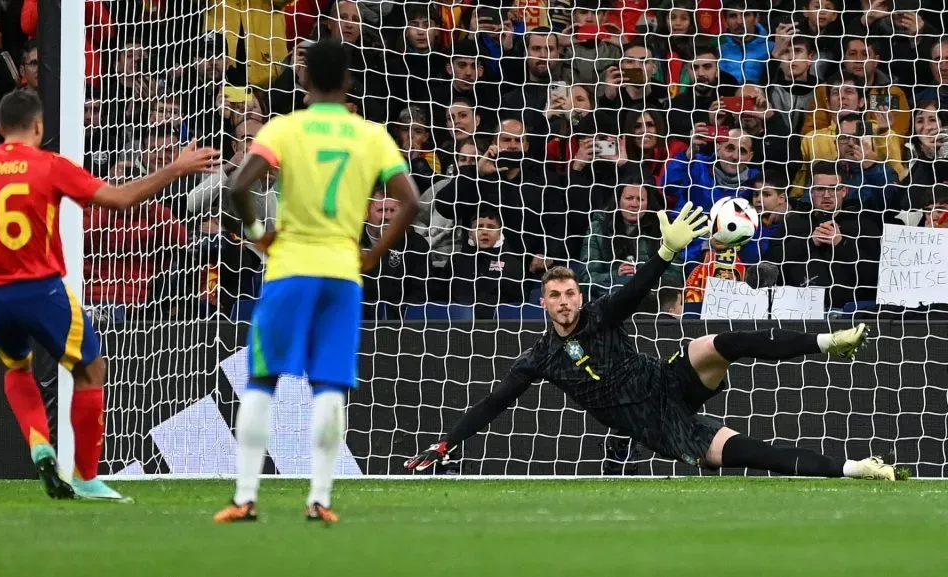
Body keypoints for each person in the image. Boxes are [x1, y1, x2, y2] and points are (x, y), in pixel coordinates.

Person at [405, 203, 902, 482]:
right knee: (745, 451)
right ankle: (855, 468)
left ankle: (825, 340)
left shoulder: (598, 317)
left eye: (571, 293)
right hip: (658, 424)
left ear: (580, 296)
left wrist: (665, 252)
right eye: (554, 295)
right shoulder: (540, 358)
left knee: (717, 342)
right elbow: (494, 403)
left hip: (666, 381)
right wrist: (448, 441)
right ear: (543, 303)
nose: (564, 302)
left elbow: (632, 292)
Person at [0, 88, 219, 501]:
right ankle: (85, 475)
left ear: (0, 127)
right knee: (91, 370)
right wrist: (176, 167)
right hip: (40, 290)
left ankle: (39, 443)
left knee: (17, 369)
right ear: (39, 127)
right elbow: (120, 200)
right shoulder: (49, 165)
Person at [214, 39, 420, 525]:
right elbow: (409, 200)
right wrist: (372, 252)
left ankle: (246, 497)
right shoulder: (371, 135)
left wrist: (260, 234)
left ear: (303, 80)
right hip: (342, 274)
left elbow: (241, 185)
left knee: (262, 379)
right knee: (329, 384)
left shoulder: (284, 129)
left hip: (289, 268)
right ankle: (320, 499)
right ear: (348, 82)